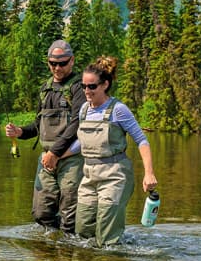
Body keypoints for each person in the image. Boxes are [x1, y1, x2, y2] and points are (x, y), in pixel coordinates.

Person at [67, 55, 158, 247]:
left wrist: (149, 174)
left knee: (106, 236)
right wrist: (58, 157)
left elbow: (142, 140)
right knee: (83, 231)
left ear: (105, 85)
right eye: (84, 86)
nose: (86, 91)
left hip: (115, 175)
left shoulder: (119, 110)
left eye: (92, 86)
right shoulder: (84, 109)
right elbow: (81, 142)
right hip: (89, 175)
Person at [3, 40, 84, 232]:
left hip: (71, 158)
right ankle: (52, 254)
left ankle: (71, 253)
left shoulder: (79, 87)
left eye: (62, 63)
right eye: (52, 63)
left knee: (70, 216)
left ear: (71, 61)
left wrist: (55, 153)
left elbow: (77, 124)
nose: (57, 68)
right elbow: (38, 125)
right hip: (46, 159)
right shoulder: (44, 89)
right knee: (41, 213)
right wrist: (20, 132)